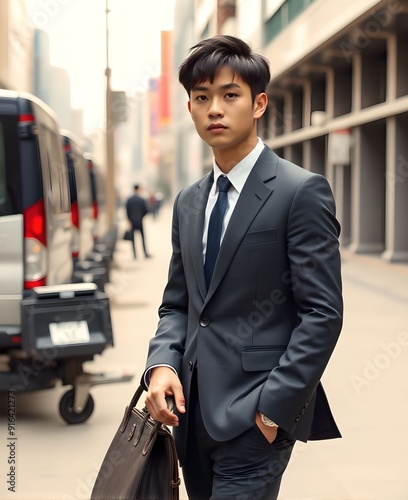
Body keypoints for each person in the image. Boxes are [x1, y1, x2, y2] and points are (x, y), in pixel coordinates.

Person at [143, 35, 343, 500]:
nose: (215, 108)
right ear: (191, 108)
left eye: (230, 95)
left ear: (258, 104)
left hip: (257, 421)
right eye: (202, 97)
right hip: (190, 416)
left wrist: (273, 411)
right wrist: (160, 364)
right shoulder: (188, 203)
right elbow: (178, 304)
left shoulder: (300, 191)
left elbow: (322, 313)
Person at [125, 184, 151, 259]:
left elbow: (127, 210)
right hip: (140, 221)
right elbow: (146, 210)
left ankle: (134, 255)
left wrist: (129, 219)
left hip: (132, 221)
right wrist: (141, 217)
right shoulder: (142, 200)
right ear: (138, 189)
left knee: (133, 239)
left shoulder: (129, 200)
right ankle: (145, 253)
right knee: (142, 237)